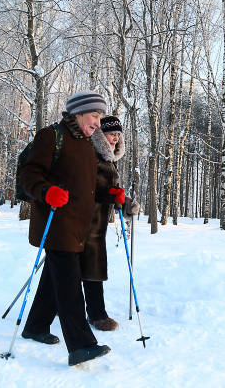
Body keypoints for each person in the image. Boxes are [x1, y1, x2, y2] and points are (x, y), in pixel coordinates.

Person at [18, 90, 111, 366]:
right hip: (56, 224)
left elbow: (88, 188)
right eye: (94, 115)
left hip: (78, 227)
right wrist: (46, 190)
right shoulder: (52, 136)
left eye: (100, 116)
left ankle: (35, 326)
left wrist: (112, 194)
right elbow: (30, 173)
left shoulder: (87, 144)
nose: (97, 122)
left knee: (53, 280)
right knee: (70, 285)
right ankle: (81, 345)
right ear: (78, 113)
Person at [82, 115, 139, 332]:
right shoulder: (92, 154)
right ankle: (97, 315)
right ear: (100, 134)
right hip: (84, 220)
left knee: (81, 267)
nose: (115, 138)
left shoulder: (109, 159)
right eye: (110, 134)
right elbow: (84, 188)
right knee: (87, 267)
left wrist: (127, 204)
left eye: (117, 134)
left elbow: (113, 193)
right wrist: (110, 194)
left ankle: (56, 307)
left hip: (98, 224)